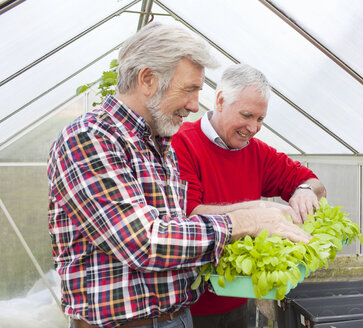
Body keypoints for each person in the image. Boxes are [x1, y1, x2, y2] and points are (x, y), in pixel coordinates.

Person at [47, 23, 310, 328]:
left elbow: (177, 228)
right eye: (188, 90)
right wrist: (248, 220)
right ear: (147, 79)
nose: (195, 105)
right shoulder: (90, 138)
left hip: (178, 317)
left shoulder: (160, 144)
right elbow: (143, 242)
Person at [172, 64, 326, 328]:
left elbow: (315, 184)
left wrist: (304, 190)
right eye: (247, 115)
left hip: (242, 296)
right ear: (220, 101)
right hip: (191, 306)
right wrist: (257, 211)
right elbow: (188, 216)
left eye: (260, 119)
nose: (253, 128)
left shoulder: (256, 151)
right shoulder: (182, 143)